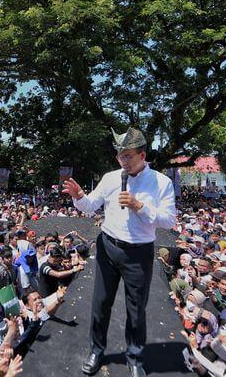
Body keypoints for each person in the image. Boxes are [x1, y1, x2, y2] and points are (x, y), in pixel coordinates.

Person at [62, 127, 176, 376]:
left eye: (128, 156)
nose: (123, 161)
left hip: (139, 253)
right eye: (119, 156)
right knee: (100, 304)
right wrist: (79, 197)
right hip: (108, 247)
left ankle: (134, 357)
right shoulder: (111, 177)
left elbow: (169, 221)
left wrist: (140, 206)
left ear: (142, 156)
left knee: (136, 309)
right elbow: (90, 205)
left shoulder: (162, 182)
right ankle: (96, 350)